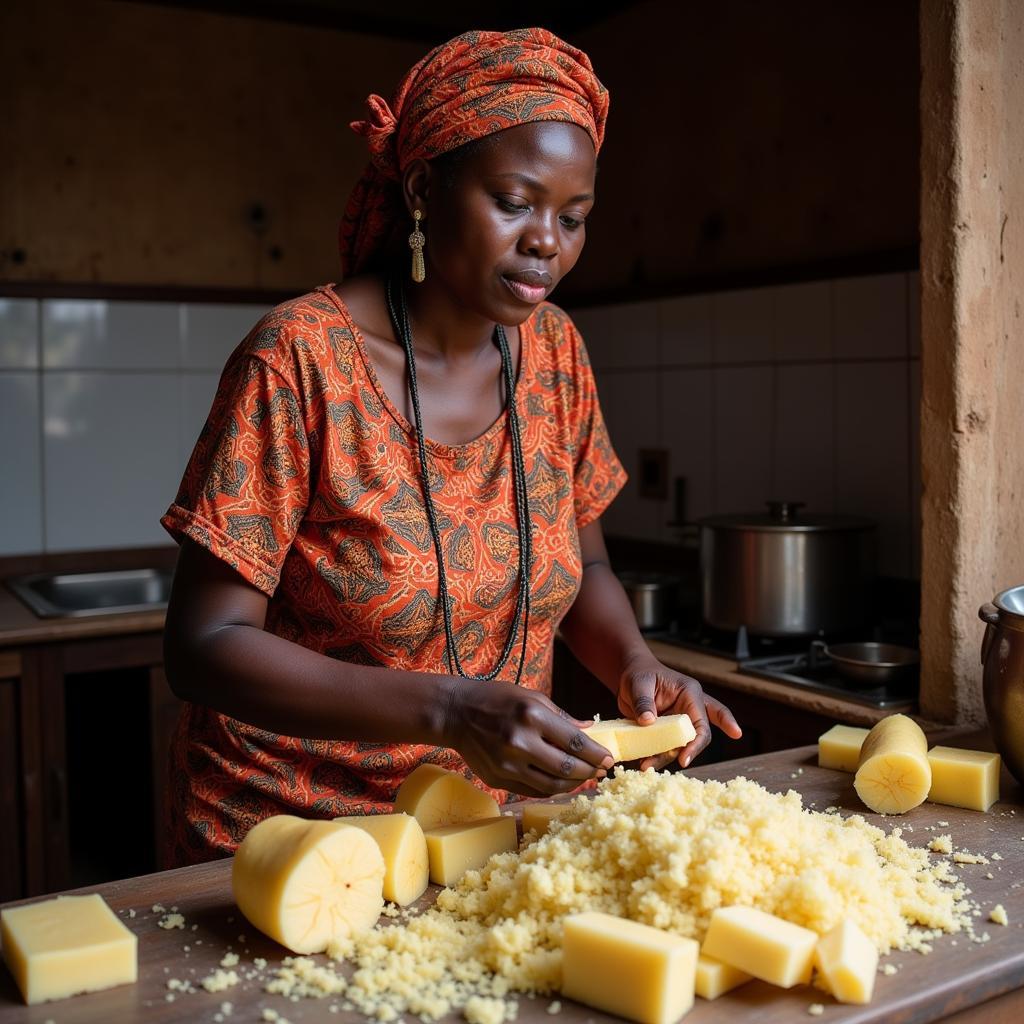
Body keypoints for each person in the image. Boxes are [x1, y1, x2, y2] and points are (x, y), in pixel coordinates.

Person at [160, 26, 742, 867]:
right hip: (297, 836)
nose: (548, 239)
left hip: (493, 829)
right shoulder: (299, 359)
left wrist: (637, 667)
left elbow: (589, 574)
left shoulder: (555, 352)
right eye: (515, 202)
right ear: (425, 189)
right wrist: (449, 711)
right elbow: (203, 647)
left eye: (574, 217)